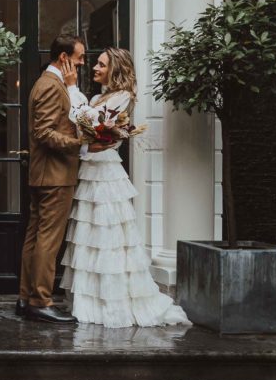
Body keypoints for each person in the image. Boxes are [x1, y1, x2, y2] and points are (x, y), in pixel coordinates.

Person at [58, 47, 190, 328]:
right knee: (89, 234)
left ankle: (111, 301)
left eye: (102, 65)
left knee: (107, 234)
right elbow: (85, 127)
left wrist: (71, 88)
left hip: (106, 172)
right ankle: (89, 299)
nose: (94, 67)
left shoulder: (123, 96)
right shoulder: (96, 96)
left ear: (115, 70)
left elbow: (90, 122)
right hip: (89, 167)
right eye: (96, 63)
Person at [17, 34, 85, 324]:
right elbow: (43, 132)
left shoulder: (48, 83)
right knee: (47, 240)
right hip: (54, 176)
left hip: (45, 175)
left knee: (35, 238)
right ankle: (40, 300)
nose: (82, 63)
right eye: (80, 57)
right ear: (63, 58)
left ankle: (26, 297)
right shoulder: (50, 86)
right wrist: (80, 141)